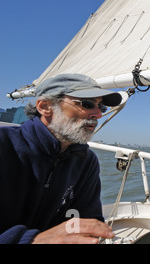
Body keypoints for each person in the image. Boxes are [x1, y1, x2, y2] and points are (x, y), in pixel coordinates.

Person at [0, 73, 122, 244]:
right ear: (45, 106)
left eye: (101, 107)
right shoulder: (4, 145)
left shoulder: (86, 161)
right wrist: (32, 240)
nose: (98, 115)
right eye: (86, 104)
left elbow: (88, 219)